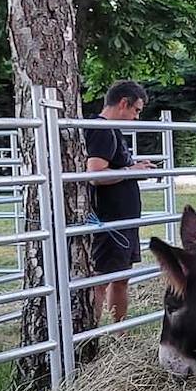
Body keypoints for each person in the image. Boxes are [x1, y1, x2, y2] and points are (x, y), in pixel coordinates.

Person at [85, 81, 154, 324]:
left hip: (122, 221)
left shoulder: (111, 130)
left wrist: (134, 169)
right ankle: (90, 337)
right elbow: (95, 174)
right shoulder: (102, 129)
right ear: (123, 103)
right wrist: (131, 170)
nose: (136, 118)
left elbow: (116, 168)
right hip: (109, 220)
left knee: (121, 277)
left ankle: (119, 335)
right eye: (136, 110)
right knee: (100, 280)